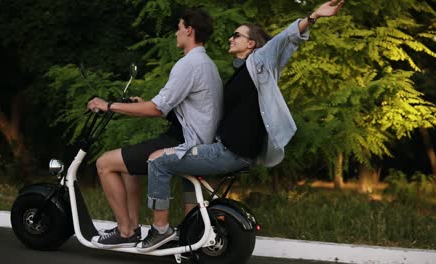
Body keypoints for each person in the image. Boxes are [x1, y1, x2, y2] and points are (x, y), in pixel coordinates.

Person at [137, 0, 345, 252]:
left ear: (252, 44)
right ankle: (191, 233)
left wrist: (313, 17)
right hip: (228, 149)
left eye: (237, 35)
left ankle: (160, 231)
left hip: (230, 152)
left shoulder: (259, 63)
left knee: (158, 161)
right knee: (184, 171)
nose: (230, 38)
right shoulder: (240, 73)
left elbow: (283, 40)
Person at [87, 8, 223, 248]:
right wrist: (146, 105)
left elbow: (156, 109)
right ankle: (132, 228)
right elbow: (187, 108)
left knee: (104, 164)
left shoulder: (188, 64)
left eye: (179, 28)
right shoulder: (207, 64)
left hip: (183, 142)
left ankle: (126, 230)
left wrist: (109, 105)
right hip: (197, 138)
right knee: (128, 166)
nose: (176, 33)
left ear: (189, 30)